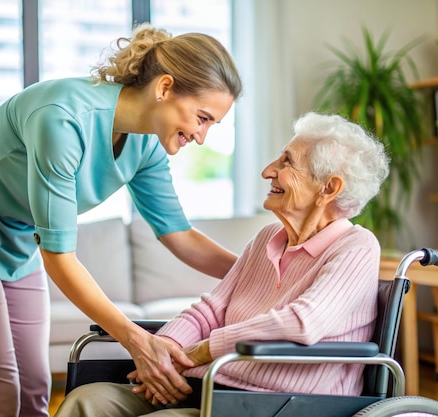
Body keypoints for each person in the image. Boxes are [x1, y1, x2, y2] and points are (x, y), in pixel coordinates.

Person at [0, 24, 242, 417]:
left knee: (33, 391)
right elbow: (60, 258)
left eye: (211, 124)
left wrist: (261, 273)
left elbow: (179, 235)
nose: (202, 136)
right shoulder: (62, 119)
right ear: (164, 88)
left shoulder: (148, 142)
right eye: (202, 118)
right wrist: (136, 340)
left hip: (19, 239)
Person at [53, 111, 391, 417]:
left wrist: (205, 351)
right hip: (210, 388)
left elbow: (304, 323)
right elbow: (210, 311)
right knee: (87, 402)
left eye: (286, 162)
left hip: (279, 403)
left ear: (328, 188)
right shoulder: (267, 238)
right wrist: (164, 354)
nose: (267, 170)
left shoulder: (356, 247)